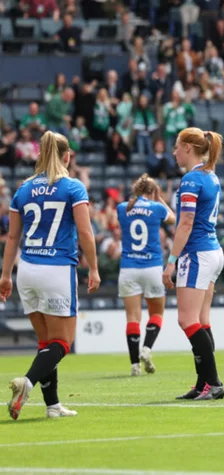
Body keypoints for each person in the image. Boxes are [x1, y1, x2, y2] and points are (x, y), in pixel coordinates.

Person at [1, 131, 101, 420]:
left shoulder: (23, 189)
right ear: (67, 156)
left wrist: (5, 275)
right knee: (62, 342)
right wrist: (93, 268)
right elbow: (85, 232)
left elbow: (12, 238)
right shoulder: (73, 187)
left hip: (27, 270)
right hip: (56, 269)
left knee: (46, 342)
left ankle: (53, 405)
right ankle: (27, 383)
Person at [162, 128, 224, 401]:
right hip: (212, 251)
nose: (174, 152)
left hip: (196, 253)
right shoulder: (211, 176)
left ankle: (212, 382)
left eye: (177, 146)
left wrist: (171, 262)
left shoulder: (190, 179)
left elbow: (187, 223)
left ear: (188, 147)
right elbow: (190, 219)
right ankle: (204, 384)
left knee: (186, 320)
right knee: (201, 320)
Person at [117, 174, 176, 376]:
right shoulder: (157, 208)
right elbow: (174, 219)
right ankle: (147, 348)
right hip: (152, 267)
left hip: (128, 268)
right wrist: (159, 199)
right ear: (153, 192)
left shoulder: (122, 208)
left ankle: (134, 365)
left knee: (132, 317)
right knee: (157, 314)